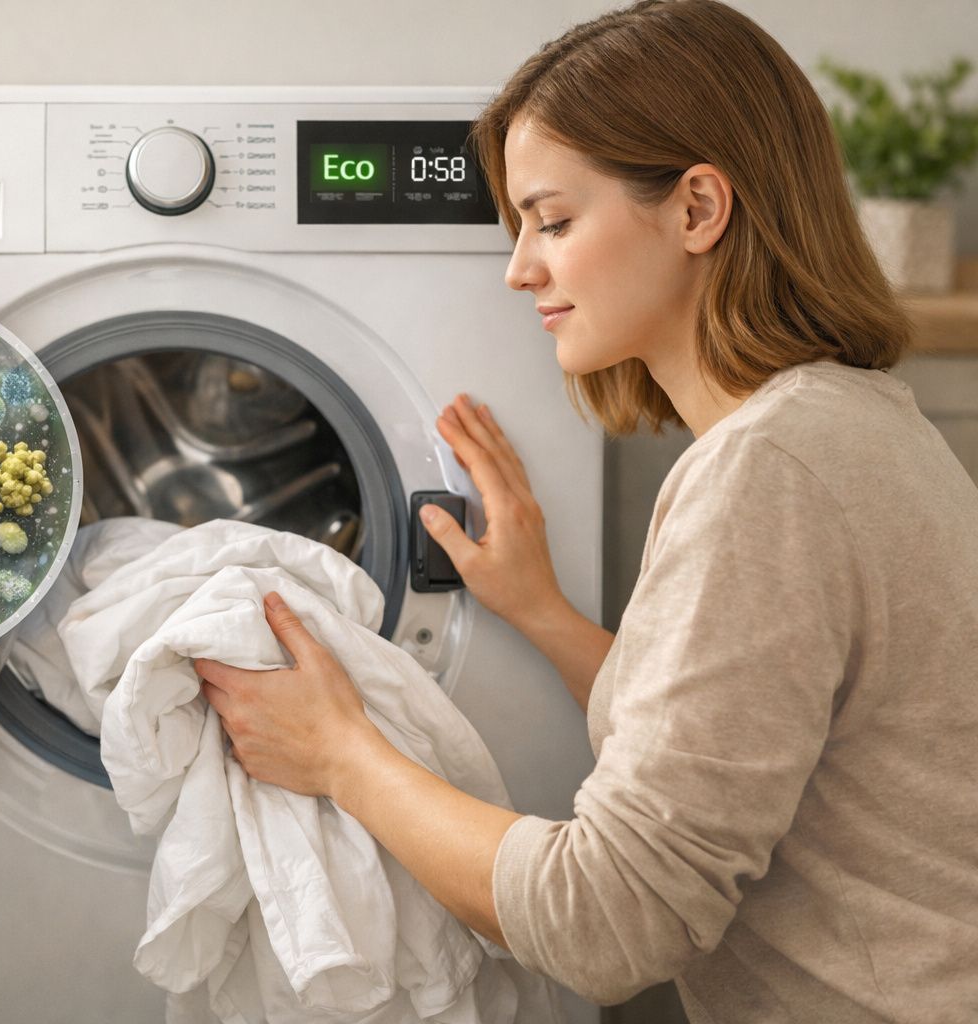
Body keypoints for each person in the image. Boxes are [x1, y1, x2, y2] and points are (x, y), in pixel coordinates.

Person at [194, 1, 978, 1019]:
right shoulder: (850, 423)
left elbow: (607, 920)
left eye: (554, 221)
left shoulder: (768, 470)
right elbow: (734, 743)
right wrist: (542, 612)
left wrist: (341, 753)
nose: (520, 267)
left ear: (699, 208)